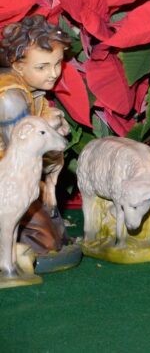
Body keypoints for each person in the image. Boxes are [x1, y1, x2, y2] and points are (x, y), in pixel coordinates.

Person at [0, 15, 72, 256]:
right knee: (44, 242)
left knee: (56, 236)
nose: (53, 73)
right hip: (7, 181)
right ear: (18, 66)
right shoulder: (10, 98)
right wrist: (48, 128)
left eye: (58, 63)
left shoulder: (31, 88)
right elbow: (18, 158)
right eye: (42, 67)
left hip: (18, 177)